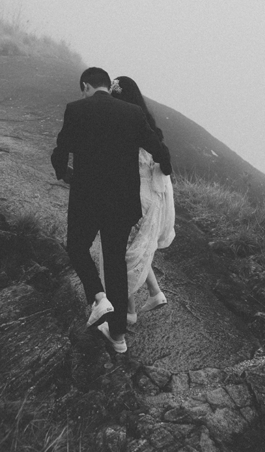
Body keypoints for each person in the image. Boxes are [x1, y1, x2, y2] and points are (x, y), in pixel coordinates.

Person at [51, 67, 172, 353]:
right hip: (122, 201)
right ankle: (118, 337)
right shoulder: (132, 114)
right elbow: (159, 149)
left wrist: (63, 173)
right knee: (115, 261)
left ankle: (98, 296)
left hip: (87, 197)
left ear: (86, 86)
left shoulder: (76, 109)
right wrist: (164, 168)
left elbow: (61, 149)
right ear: (107, 85)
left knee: (77, 246)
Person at [92, 76, 175, 325]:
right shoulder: (148, 125)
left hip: (133, 195)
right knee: (138, 247)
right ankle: (154, 292)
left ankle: (127, 313)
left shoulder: (122, 123)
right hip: (151, 197)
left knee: (120, 253)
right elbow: (163, 162)